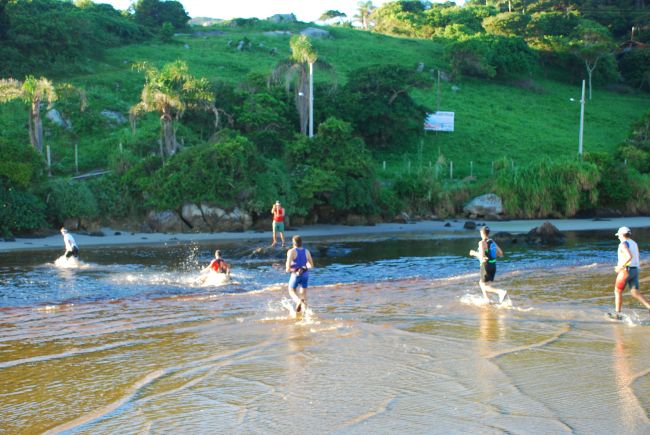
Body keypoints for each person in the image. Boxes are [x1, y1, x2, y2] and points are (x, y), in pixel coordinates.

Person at [611, 226, 649, 319]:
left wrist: (620, 267)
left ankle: (617, 314)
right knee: (634, 292)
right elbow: (636, 256)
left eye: (619, 235)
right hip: (635, 270)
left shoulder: (623, 244)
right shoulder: (634, 243)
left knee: (617, 291)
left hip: (626, 271)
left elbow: (629, 256)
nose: (618, 237)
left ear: (622, 235)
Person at [469, 226, 507, 304]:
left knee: (484, 285)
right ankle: (487, 300)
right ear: (488, 233)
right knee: (484, 283)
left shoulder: (481, 243)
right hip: (493, 265)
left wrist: (474, 253)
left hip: (486, 266)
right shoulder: (492, 242)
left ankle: (500, 292)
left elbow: (482, 256)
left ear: (482, 233)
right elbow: (501, 253)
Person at [285, 235, 314, 315]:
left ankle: (298, 302)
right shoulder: (306, 251)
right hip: (305, 274)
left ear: (293, 243)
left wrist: (293, 270)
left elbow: (287, 269)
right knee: (303, 295)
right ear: (301, 243)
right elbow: (311, 265)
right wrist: (303, 268)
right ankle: (306, 314)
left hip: (296, 274)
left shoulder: (291, 251)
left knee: (291, 290)